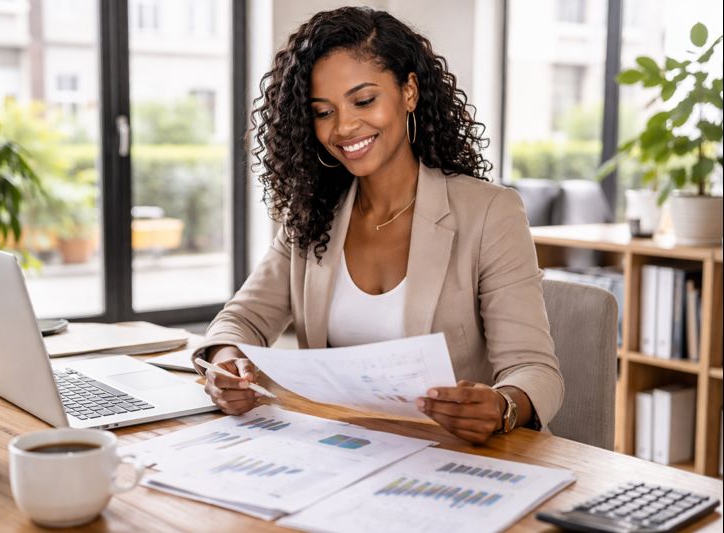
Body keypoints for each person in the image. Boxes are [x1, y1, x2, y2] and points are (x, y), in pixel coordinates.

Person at [193, 6, 563, 444]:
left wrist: (503, 406)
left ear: (409, 92)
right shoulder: (311, 214)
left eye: (364, 100)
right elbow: (242, 318)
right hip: (340, 448)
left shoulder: (490, 212)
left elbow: (534, 368)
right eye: (323, 112)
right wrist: (226, 360)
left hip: (455, 456)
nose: (345, 126)